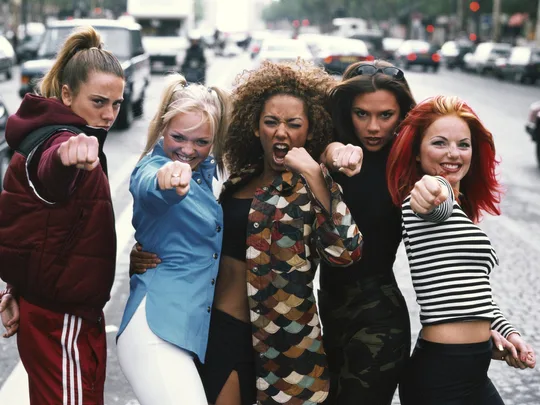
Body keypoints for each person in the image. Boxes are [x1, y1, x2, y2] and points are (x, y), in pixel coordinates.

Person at [130, 59, 363, 405]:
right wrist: (146, 251)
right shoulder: (238, 180)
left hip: (288, 343)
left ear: (310, 131)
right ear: (256, 129)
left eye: (293, 124)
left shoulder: (316, 185)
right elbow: (199, 236)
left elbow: (346, 251)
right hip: (222, 330)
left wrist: (315, 172)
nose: (281, 132)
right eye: (271, 122)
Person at [0, 26, 124, 405]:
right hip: (61, 320)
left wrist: (18, 288)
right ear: (67, 94)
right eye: (99, 102)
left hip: (60, 313)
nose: (108, 115)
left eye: (117, 104)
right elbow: (52, 172)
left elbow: (40, 225)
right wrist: (69, 157)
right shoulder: (60, 141)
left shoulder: (54, 130)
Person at [386, 95, 536, 404]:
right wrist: (430, 189)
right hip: (442, 374)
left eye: (463, 145)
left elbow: (475, 294)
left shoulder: (459, 209)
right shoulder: (426, 199)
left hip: (472, 371)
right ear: (417, 153)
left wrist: (508, 334)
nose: (453, 154)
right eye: (439, 143)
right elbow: (428, 199)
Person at [116, 74, 230, 405]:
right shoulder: (153, 168)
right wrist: (168, 180)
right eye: (178, 136)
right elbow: (152, 187)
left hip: (185, 333)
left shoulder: (206, 173)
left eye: (201, 142)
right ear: (162, 129)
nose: (187, 150)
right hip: (156, 331)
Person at [317, 60, 416, 404]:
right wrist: (331, 154)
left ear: (402, 115)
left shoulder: (409, 166)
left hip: (379, 320)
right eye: (362, 115)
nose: (373, 127)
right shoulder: (329, 152)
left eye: (385, 115)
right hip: (327, 314)